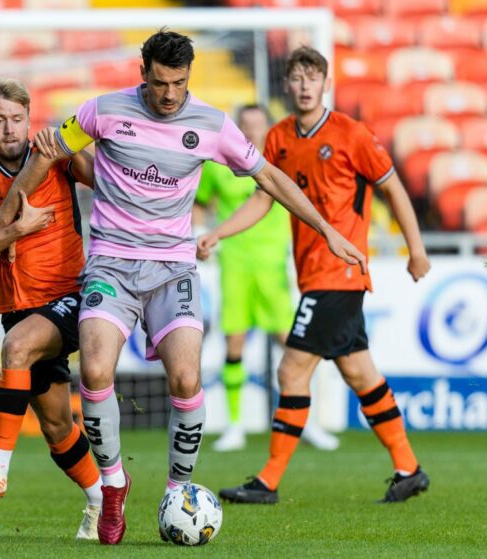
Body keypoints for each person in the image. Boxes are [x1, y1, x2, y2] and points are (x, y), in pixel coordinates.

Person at [32, 29, 366, 545]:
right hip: (112, 265)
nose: (170, 95)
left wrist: (326, 228)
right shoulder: (102, 111)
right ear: (143, 72)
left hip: (172, 269)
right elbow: (52, 151)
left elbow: (271, 179)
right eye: (161, 83)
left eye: (180, 83)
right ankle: (114, 484)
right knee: (95, 370)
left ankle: (177, 491)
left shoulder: (211, 124)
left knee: (186, 380)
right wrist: (11, 215)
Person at [201, 46, 432, 504]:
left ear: (326, 83)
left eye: (313, 77)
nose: (305, 86)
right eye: (297, 78)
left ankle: (267, 481)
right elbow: (263, 199)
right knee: (361, 375)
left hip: (340, 273)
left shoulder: (353, 134)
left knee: (291, 370)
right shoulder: (279, 138)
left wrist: (417, 249)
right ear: (287, 84)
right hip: (314, 275)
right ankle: (408, 469)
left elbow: (393, 188)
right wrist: (219, 233)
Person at [0, 78, 103, 540]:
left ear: (28, 119)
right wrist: (18, 229)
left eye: (17, 119)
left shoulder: (52, 160)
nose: (10, 128)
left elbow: (101, 179)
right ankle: (102, 499)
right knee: (58, 428)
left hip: (72, 295)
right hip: (19, 306)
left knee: (15, 349)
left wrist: (68, 147)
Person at [194, 105, 339, 452]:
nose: (253, 132)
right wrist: (201, 232)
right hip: (236, 266)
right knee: (234, 344)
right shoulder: (220, 167)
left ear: (269, 129)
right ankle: (235, 426)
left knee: (294, 346)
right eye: (246, 126)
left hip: (273, 266)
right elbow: (199, 203)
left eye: (258, 126)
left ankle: (308, 422)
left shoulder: (279, 164)